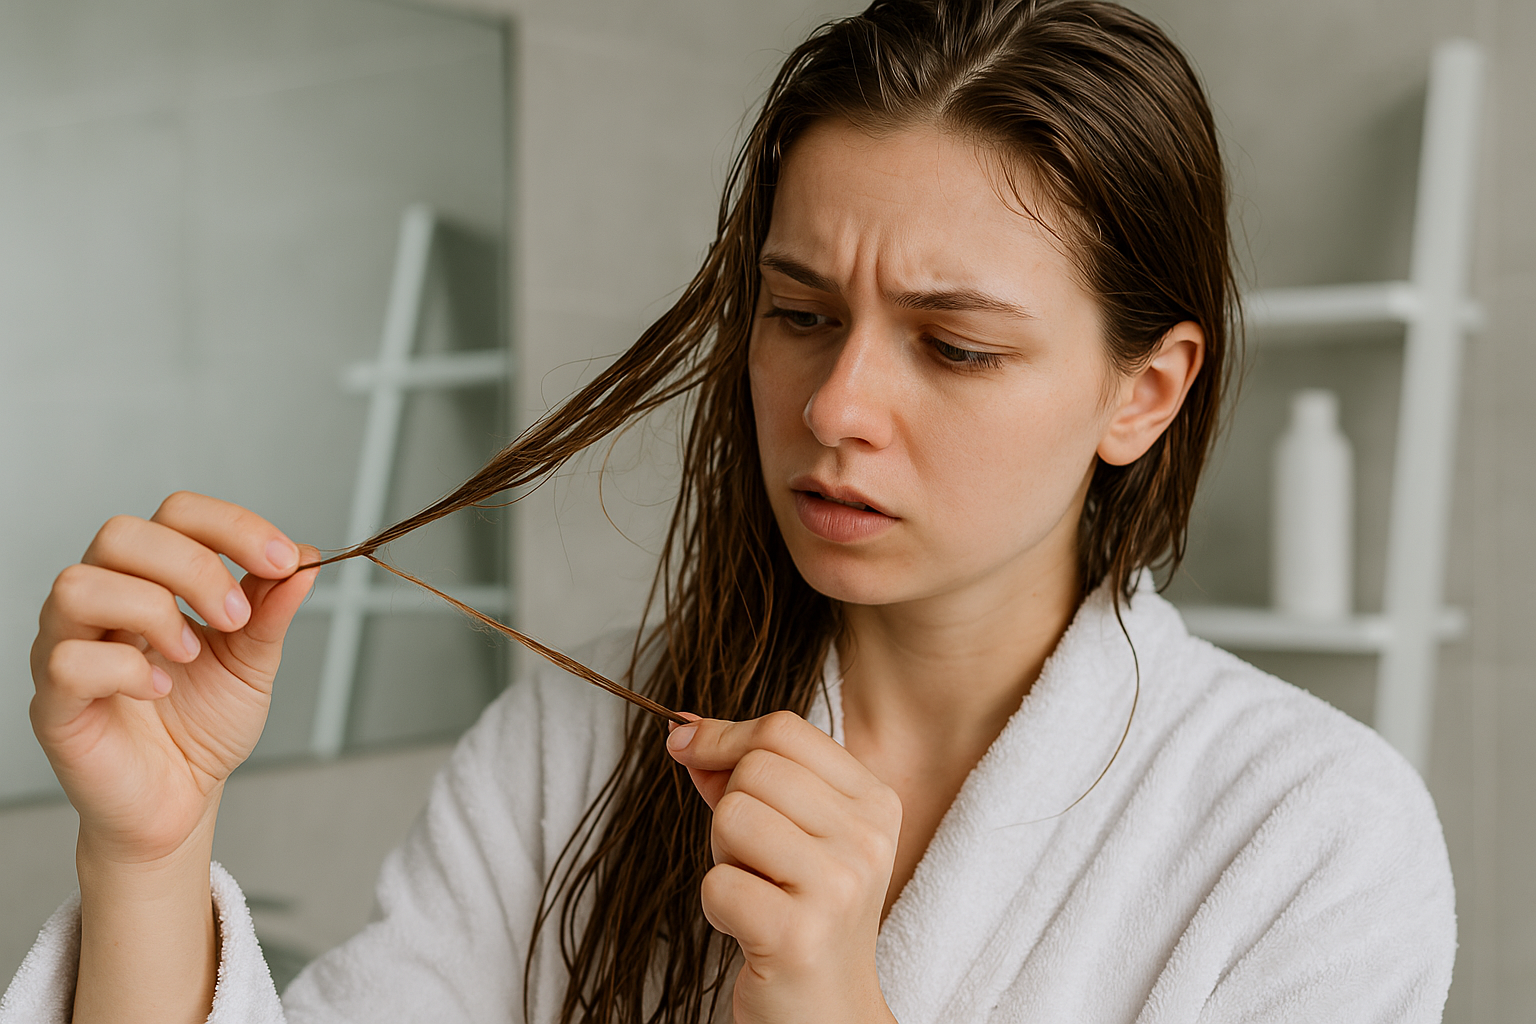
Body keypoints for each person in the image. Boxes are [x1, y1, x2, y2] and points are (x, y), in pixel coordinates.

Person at [4, 1, 1455, 1022]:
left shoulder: (1308, 839)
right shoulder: (569, 750)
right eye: (799, 312)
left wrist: (829, 1005)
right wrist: (148, 848)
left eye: (954, 345)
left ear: (1145, 390)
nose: (834, 408)